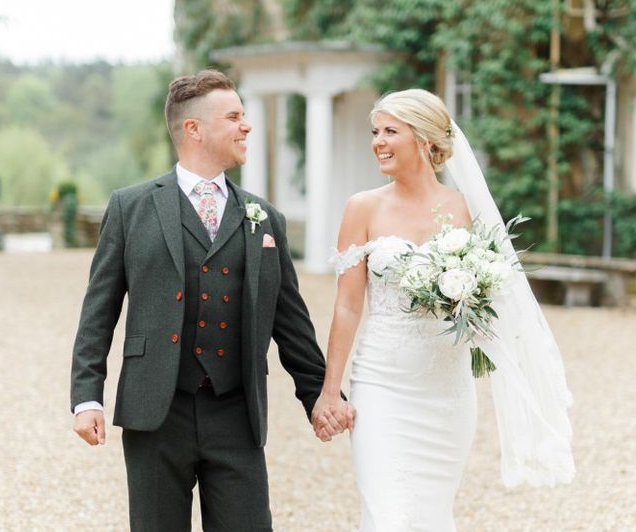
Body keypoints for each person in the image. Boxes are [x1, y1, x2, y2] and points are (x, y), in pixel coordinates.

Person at [70, 69, 352, 531]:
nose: (247, 126)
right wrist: (87, 398)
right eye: (234, 116)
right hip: (155, 413)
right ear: (193, 129)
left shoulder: (265, 219)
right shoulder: (130, 207)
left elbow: (291, 323)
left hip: (236, 413)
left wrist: (320, 397)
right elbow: (98, 311)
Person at [312, 89, 575, 531]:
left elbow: (495, 300)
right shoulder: (363, 207)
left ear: (426, 141)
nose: (378, 140)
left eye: (390, 131)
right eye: (375, 131)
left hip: (446, 392)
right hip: (381, 385)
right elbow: (347, 306)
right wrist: (329, 389)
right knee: (388, 516)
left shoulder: (466, 209)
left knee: (432, 516)